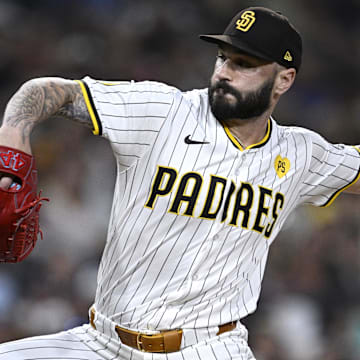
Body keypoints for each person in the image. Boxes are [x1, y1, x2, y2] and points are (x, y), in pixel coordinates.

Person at [0, 6, 359, 360]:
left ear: (285, 79)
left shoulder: (301, 154)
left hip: (209, 349)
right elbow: (47, 91)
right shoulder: (162, 111)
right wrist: (13, 135)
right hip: (102, 342)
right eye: (223, 58)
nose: (225, 73)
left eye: (245, 64)